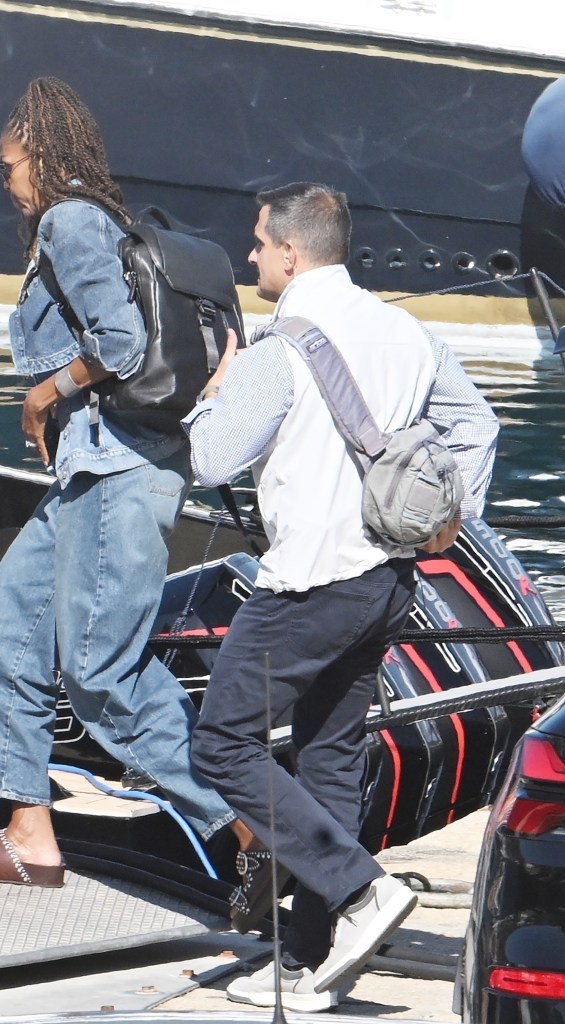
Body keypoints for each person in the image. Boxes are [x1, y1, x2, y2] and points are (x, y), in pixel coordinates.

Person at [182, 182, 499, 1012]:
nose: (250, 255)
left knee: (221, 744)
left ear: (290, 253)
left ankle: (360, 891)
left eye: (257, 242)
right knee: (328, 757)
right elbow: (477, 428)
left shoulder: (276, 348)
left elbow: (212, 461)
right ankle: (314, 961)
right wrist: (445, 517)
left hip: (310, 582)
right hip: (387, 581)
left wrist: (216, 389)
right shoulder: (405, 330)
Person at [0, 76, 256, 885]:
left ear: (39, 156)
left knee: (101, 672)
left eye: (6, 166)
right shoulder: (101, 219)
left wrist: (42, 393)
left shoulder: (71, 220)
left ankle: (257, 828)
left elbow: (119, 339)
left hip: (119, 471)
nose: (4, 183)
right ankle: (28, 837)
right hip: (91, 473)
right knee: (2, 636)